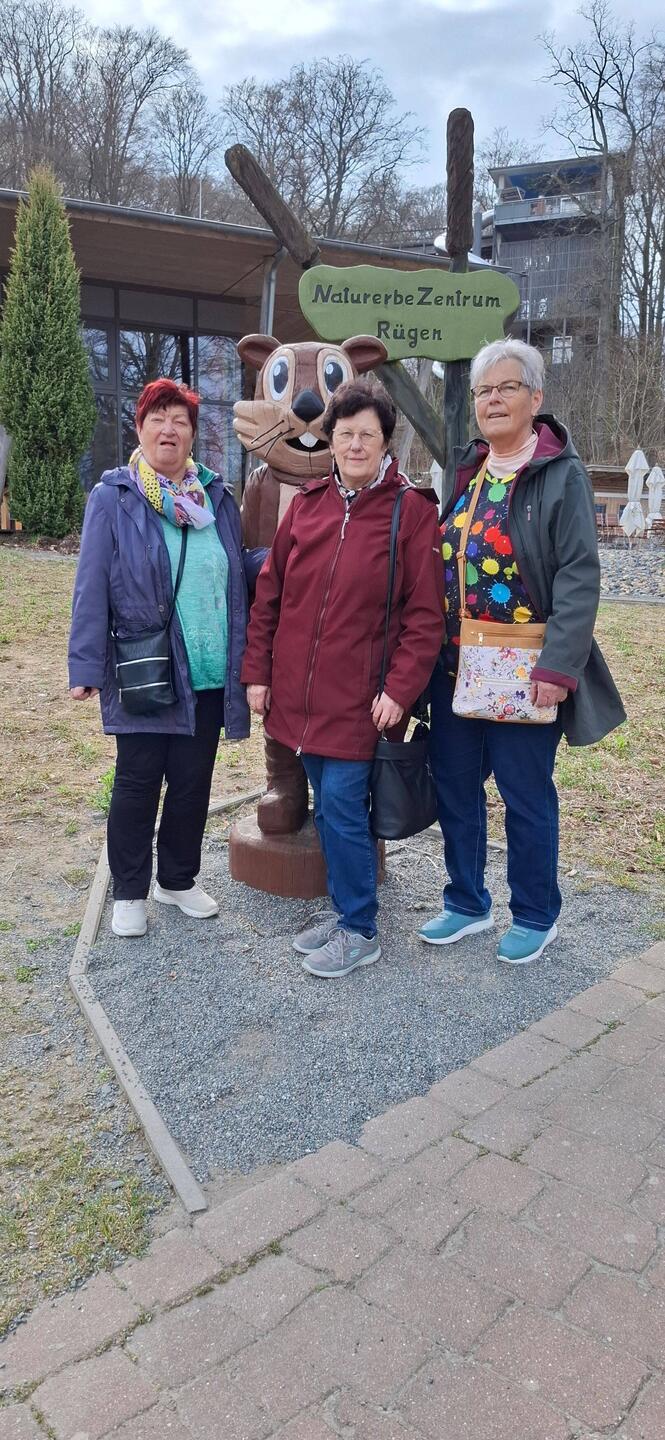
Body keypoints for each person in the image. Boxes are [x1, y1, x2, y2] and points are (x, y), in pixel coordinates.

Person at [420, 338, 625, 966]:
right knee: (456, 787)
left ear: (535, 397)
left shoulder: (561, 474)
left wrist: (558, 667)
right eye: (483, 391)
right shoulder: (469, 470)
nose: (493, 400)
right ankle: (467, 901)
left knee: (524, 792)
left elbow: (579, 576)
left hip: (525, 668)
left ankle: (535, 912)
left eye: (507, 388)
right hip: (457, 668)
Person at [242, 377, 444, 979]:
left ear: (386, 444)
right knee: (329, 812)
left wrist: (400, 691)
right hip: (297, 698)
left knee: (341, 807)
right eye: (346, 433)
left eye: (368, 435)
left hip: (362, 700)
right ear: (330, 439)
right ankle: (344, 910)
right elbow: (269, 598)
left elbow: (425, 617)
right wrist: (258, 673)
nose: (356, 445)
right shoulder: (307, 507)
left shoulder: (409, 513)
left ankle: (359, 928)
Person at [69, 378, 265, 938]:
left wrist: (280, 559)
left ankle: (177, 879)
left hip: (208, 667)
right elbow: (91, 584)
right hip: (147, 665)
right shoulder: (115, 497)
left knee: (192, 782)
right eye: (157, 418)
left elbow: (234, 567)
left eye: (180, 420)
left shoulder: (217, 497)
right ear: (139, 428)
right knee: (137, 782)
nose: (169, 429)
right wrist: (85, 666)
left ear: (193, 434)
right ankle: (130, 891)